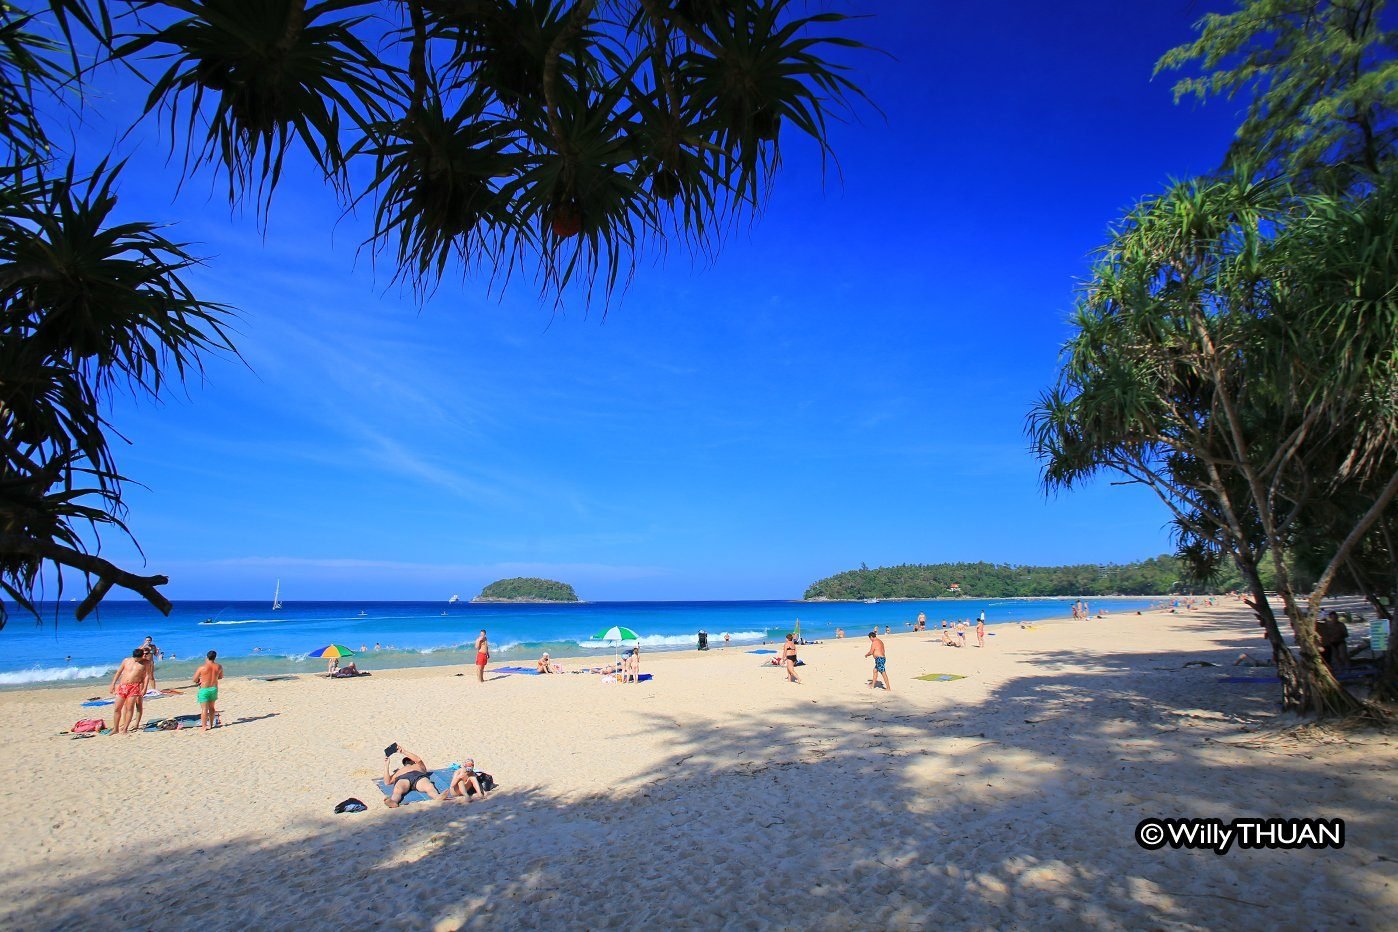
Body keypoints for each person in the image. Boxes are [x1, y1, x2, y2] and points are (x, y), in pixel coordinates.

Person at [108, 649, 148, 735]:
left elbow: (146, 676)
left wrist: (144, 688)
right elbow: (119, 672)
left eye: (138, 658)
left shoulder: (145, 663)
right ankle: (115, 728)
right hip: (123, 686)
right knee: (117, 708)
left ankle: (125, 728)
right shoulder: (126, 660)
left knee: (130, 708)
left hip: (134, 687)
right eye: (135, 658)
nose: (136, 660)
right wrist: (113, 684)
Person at [193, 650, 224, 731]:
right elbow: (220, 677)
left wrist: (200, 680)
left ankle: (204, 726)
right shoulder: (219, 666)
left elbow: (194, 679)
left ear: (207, 657)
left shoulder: (202, 668)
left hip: (204, 689)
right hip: (213, 688)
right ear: (215, 657)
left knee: (204, 709)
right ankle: (211, 724)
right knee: (212, 707)